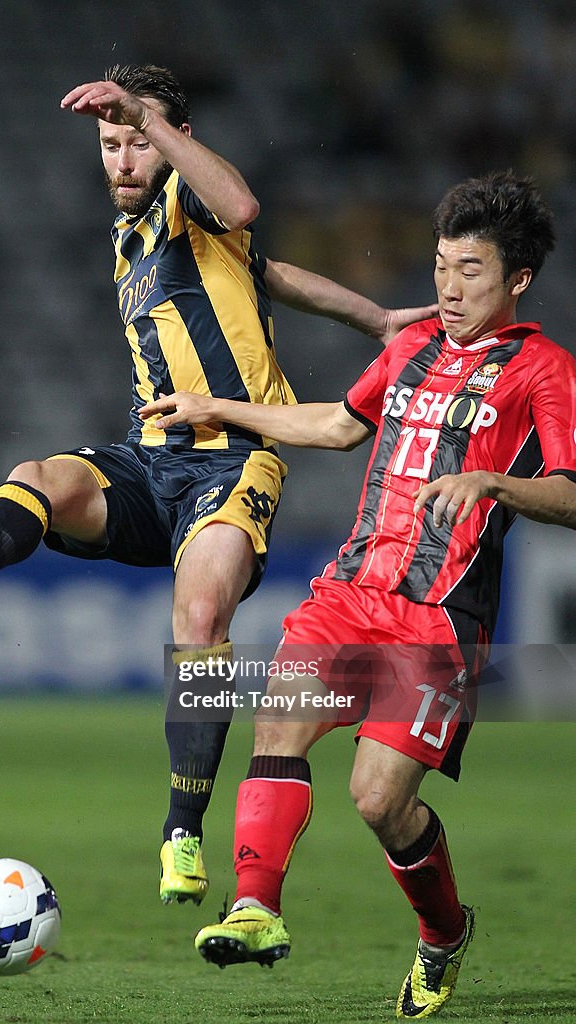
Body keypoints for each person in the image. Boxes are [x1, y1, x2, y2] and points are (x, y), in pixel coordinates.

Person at [0, 64, 435, 910]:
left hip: (234, 457)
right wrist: (374, 318)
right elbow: (266, 270)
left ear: (171, 142)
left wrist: (159, 131)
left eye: (136, 140)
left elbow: (241, 211)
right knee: (37, 477)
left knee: (199, 618)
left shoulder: (189, 196)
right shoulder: (132, 239)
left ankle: (182, 832)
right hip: (148, 456)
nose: (123, 159)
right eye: (110, 142)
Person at [140, 170, 576, 1018]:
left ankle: (444, 933)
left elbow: (570, 491)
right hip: (348, 591)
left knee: (379, 802)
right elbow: (338, 425)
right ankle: (255, 907)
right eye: (442, 267)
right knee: (278, 718)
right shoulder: (410, 348)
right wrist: (216, 406)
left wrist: (491, 481)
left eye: (471, 272)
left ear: (516, 280)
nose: (447, 288)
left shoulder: (544, 371)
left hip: (439, 617)